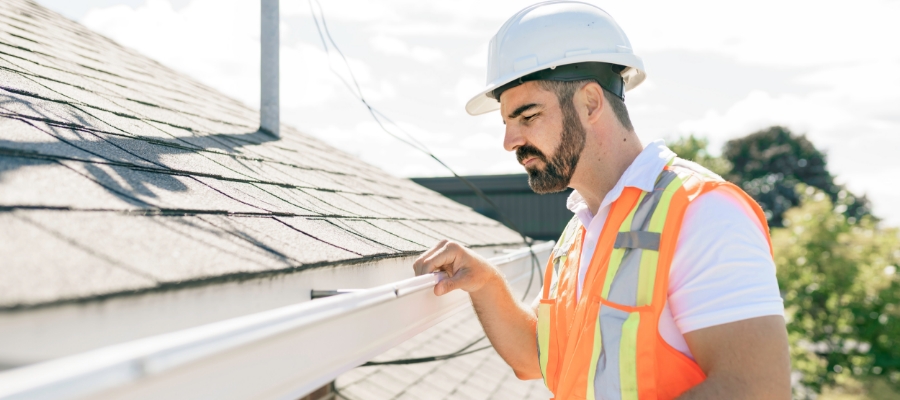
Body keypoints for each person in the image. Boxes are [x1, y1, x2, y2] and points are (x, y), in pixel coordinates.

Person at [412, 2, 791, 399]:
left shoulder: (704, 213)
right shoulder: (582, 231)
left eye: (527, 116)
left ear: (591, 103)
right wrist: (486, 282)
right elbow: (537, 358)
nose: (510, 142)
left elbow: (756, 389)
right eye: (506, 123)